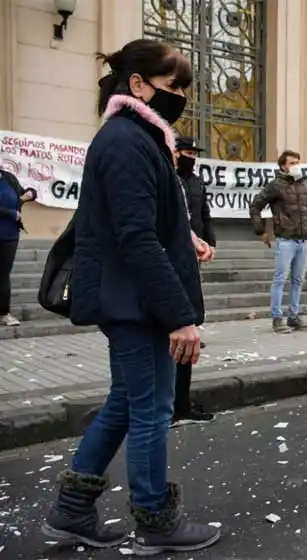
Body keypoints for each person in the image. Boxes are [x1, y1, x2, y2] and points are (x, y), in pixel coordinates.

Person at [42, 39, 220, 555]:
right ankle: (154, 520)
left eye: (184, 88)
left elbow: (140, 219)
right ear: (138, 84)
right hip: (133, 302)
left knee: (126, 402)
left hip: (131, 296)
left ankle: (72, 511)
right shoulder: (127, 141)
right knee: (152, 409)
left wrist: (185, 238)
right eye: (173, 86)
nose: (180, 97)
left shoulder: (137, 137)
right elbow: (134, 237)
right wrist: (179, 317)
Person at [249, 149, 307, 333]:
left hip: (303, 241)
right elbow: (256, 205)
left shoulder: (304, 186)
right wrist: (261, 231)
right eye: (292, 163)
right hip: (286, 240)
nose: (296, 166)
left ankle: (294, 317)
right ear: (283, 166)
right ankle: (277, 318)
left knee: (298, 280)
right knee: (280, 279)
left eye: (297, 162)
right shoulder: (275, 186)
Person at [172, 136, 215, 424]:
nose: (191, 157)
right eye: (186, 152)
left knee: (188, 328)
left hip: (190, 255)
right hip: (172, 260)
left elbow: (203, 215)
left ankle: (181, 402)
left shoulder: (196, 182)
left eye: (193, 153)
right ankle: (174, 405)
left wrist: (207, 241)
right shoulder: (167, 180)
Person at [0, 168, 36, 327]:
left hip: (9, 235)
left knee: (3, 275)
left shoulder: (8, 177)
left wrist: (31, 193)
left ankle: (3, 313)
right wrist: (9, 213)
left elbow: (21, 194)